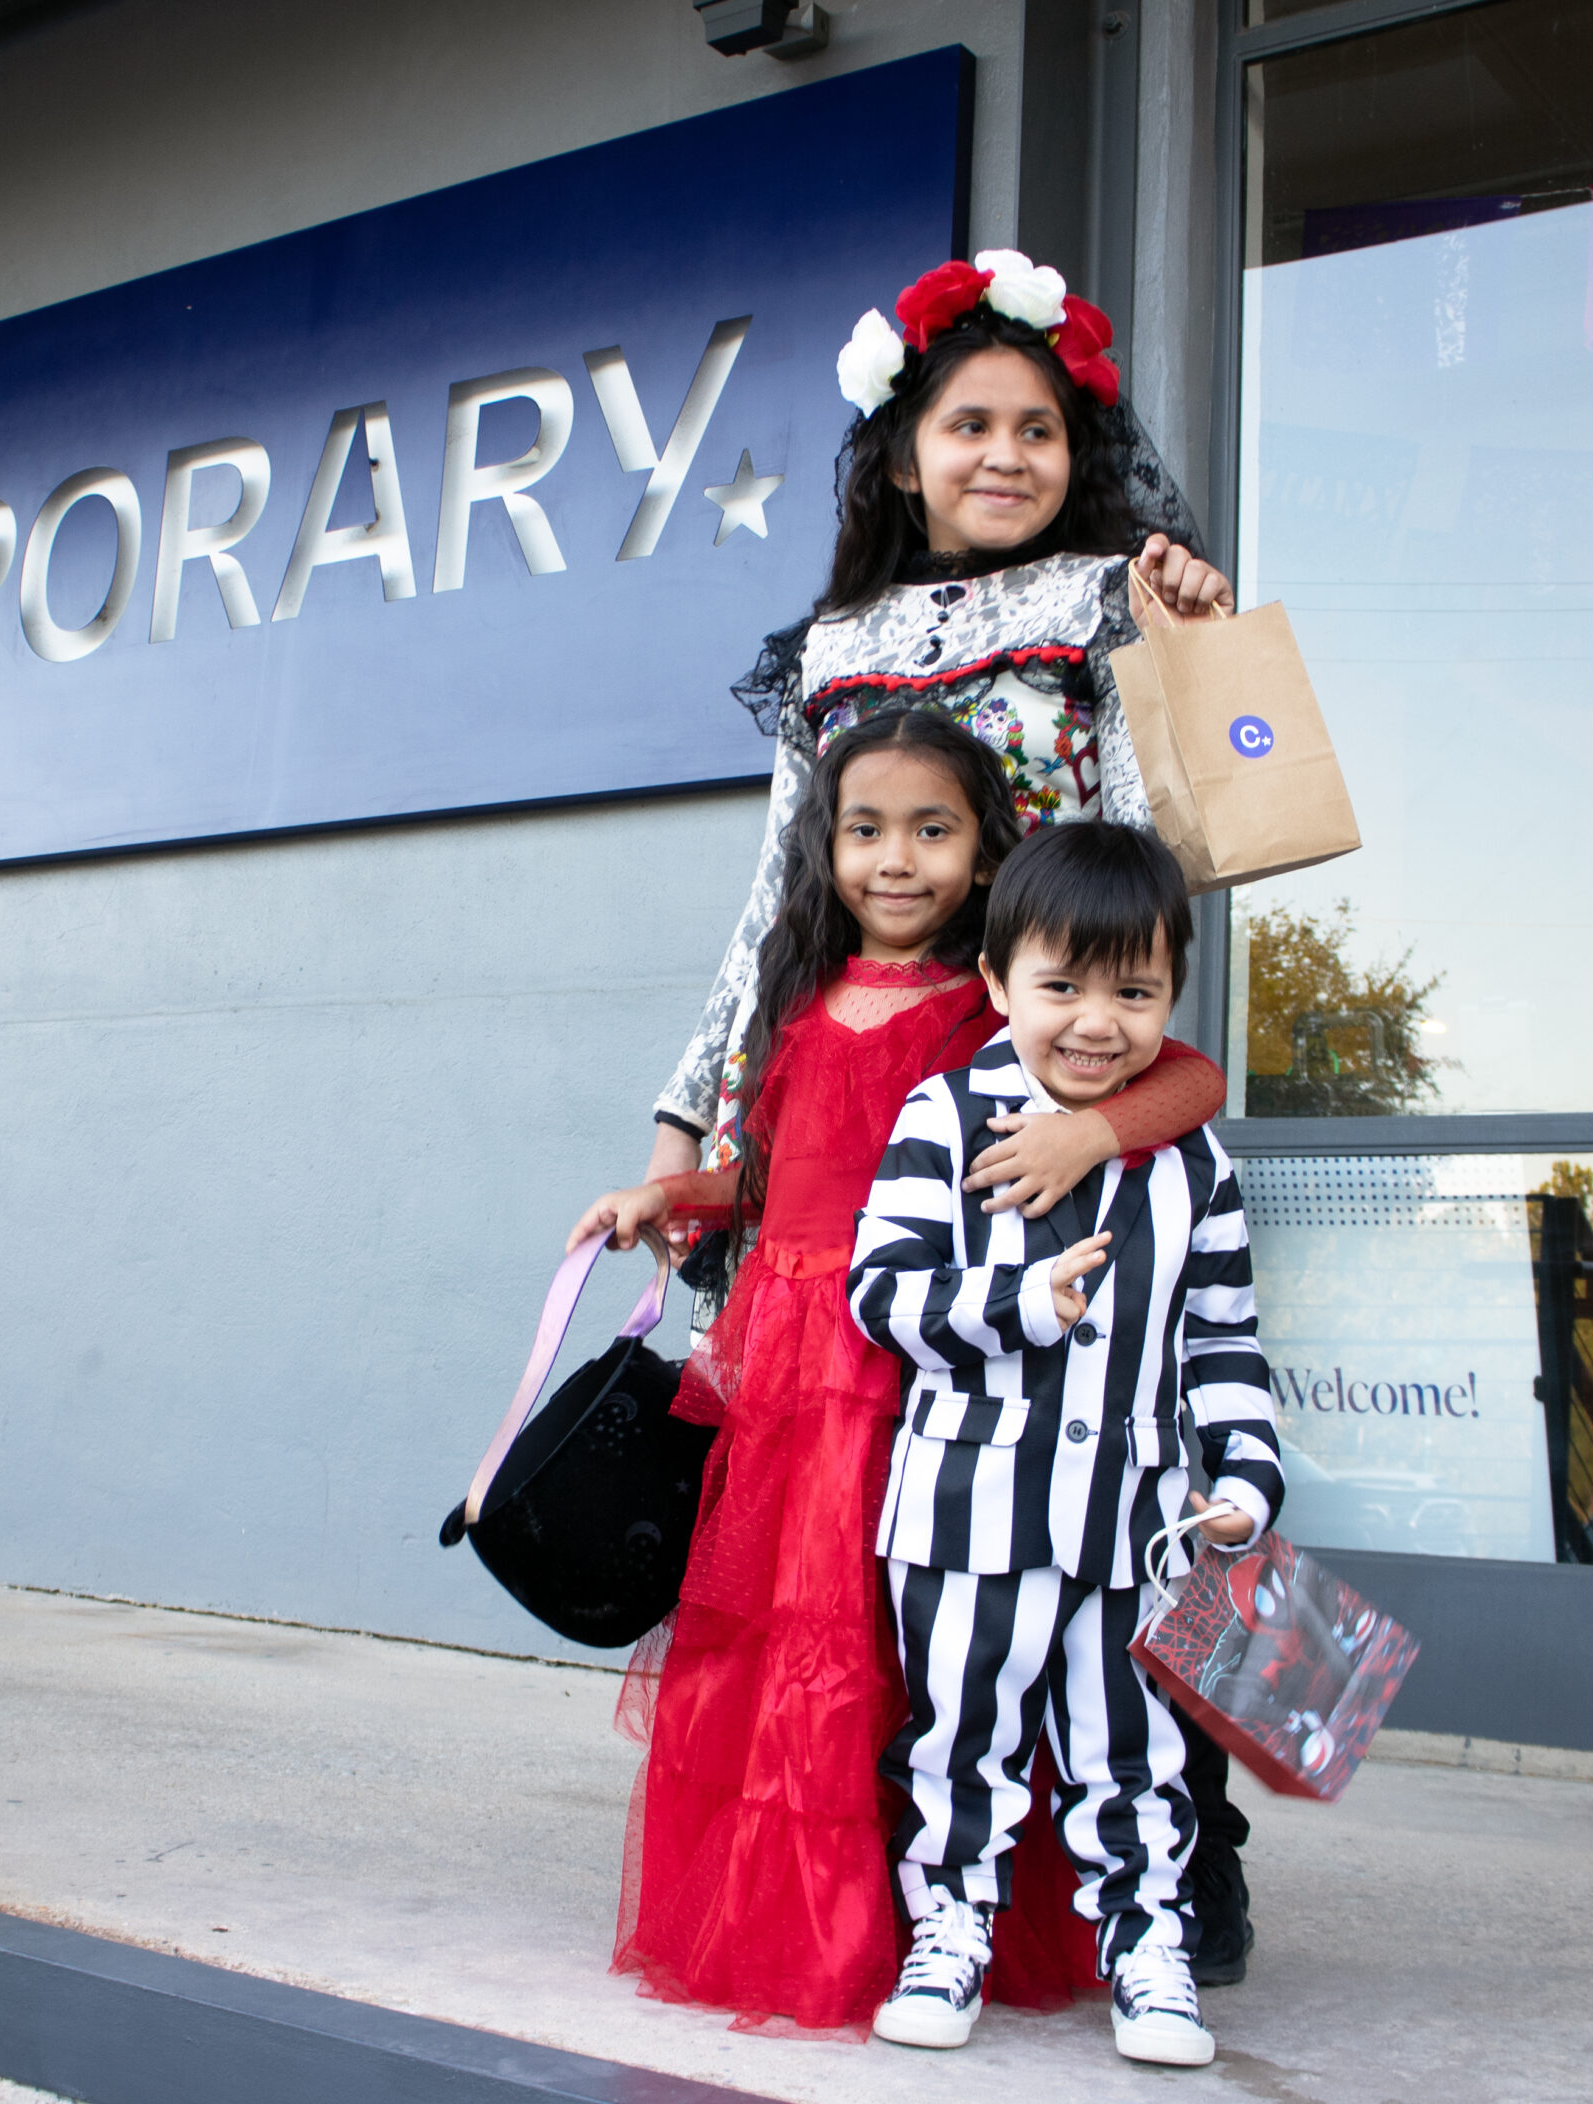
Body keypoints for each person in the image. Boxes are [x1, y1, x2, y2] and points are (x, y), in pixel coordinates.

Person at [644, 249, 1256, 1987]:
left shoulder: (1118, 599)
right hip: (856, 1128)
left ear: (1086, 447)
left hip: (1043, 1107)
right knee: (888, 1532)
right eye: (967, 423)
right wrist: (693, 1117)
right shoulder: (838, 647)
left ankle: (1171, 1859)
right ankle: (894, 1870)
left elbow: (1165, 875)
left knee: (1095, 1506)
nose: (1003, 451)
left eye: (1039, 425)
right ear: (900, 455)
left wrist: (1201, 642)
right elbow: (774, 898)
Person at [571, 709, 1224, 2035]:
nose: (896, 860)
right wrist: (671, 1192)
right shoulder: (801, 1001)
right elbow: (774, 1175)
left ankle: (954, 1917)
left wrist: (1090, 1130)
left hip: (929, 1370)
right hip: (792, 1367)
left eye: (934, 830)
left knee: (941, 1649)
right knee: (800, 1647)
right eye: (865, 830)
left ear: (987, 856)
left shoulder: (1002, 1007)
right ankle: (835, 1930)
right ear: (828, 848)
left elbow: (1191, 1082)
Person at [848, 821, 1283, 2069]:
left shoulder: (1192, 1159)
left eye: (1135, 992)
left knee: (1134, 1760)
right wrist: (1021, 1305)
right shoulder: (943, 1114)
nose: (1097, 1022)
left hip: (1134, 1526)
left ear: (1170, 996)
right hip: (965, 1512)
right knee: (959, 1736)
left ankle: (1147, 1951)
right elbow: (881, 1295)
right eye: (1061, 987)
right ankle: (949, 1929)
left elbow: (1224, 1345)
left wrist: (1246, 1483)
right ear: (995, 984)